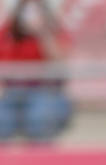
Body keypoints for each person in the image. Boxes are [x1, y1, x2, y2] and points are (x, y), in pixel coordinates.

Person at [0, 0, 71, 142]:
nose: (29, 15)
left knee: (39, 118)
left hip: (45, 92)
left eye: (35, 10)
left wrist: (42, 33)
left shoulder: (54, 30)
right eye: (26, 10)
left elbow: (60, 61)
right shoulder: (8, 32)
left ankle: (41, 160)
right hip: (13, 93)